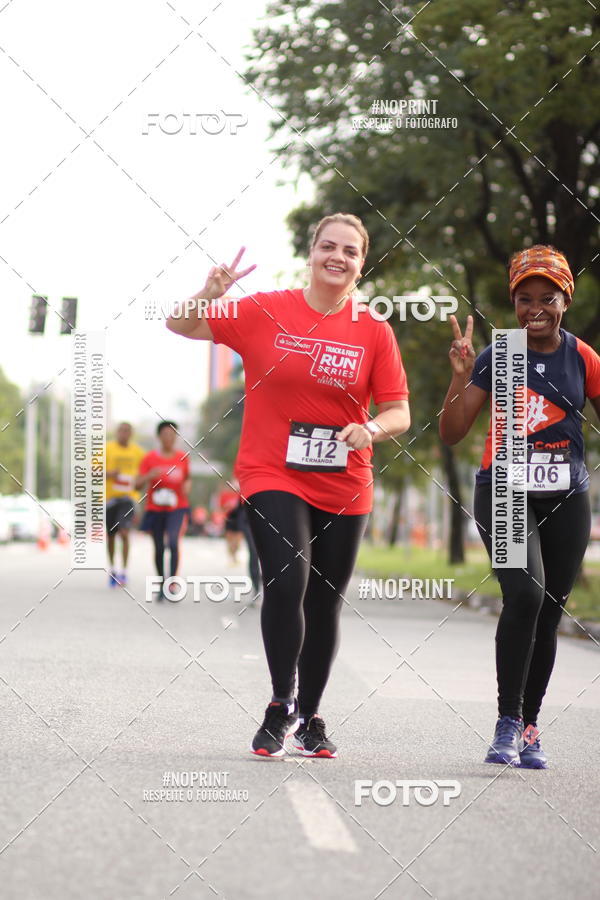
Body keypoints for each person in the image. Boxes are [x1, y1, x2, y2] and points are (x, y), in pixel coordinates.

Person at [167, 213, 411, 757]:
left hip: (345, 480)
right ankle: (281, 702)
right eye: (328, 246)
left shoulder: (374, 329)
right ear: (311, 252)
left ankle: (313, 715)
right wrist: (207, 293)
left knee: (325, 602)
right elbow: (180, 326)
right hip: (271, 471)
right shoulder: (265, 311)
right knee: (287, 578)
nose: (337, 257)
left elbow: (398, 412)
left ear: (360, 262)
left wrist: (369, 428)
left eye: (349, 251)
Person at [439, 245, 600, 768]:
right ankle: (506, 723)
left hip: (568, 495)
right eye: (524, 299)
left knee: (550, 610)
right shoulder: (499, 353)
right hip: (505, 488)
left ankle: (530, 727)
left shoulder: (583, 357)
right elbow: (452, 432)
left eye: (547, 298)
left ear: (565, 301)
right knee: (525, 595)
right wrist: (461, 375)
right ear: (513, 304)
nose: (536, 308)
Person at [136, 421, 191, 601]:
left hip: (177, 507)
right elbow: (136, 484)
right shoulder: (149, 458)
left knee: (173, 543)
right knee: (159, 547)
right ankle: (161, 584)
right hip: (155, 508)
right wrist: (149, 475)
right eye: (165, 434)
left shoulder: (183, 457)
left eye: (173, 434)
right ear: (159, 437)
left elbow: (187, 478)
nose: (169, 438)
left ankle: (171, 584)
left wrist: (187, 487)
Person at [105, 422, 145, 587]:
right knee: (112, 535)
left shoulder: (138, 452)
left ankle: (124, 571)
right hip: (110, 499)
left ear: (131, 433)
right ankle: (113, 569)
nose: (124, 434)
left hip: (128, 499)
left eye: (127, 431)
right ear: (116, 432)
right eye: (121, 431)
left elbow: (144, 472)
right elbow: (94, 471)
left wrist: (139, 480)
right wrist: (109, 473)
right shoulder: (107, 449)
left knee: (124, 531)